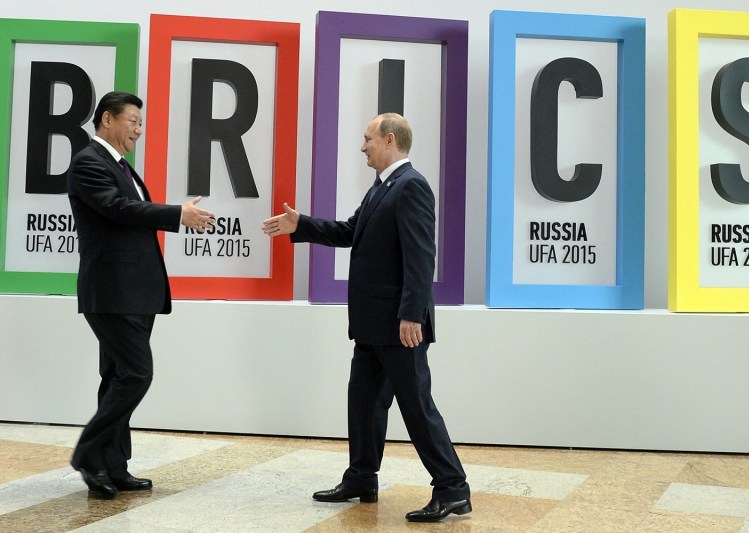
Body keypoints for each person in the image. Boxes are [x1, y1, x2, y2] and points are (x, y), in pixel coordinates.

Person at [262, 113, 471, 522]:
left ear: (389, 140)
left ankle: (452, 489)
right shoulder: (383, 188)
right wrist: (300, 224)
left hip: (399, 326)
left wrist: (412, 314)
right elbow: (350, 231)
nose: (362, 147)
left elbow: (420, 255)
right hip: (373, 325)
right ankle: (361, 477)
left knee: (417, 407)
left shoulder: (411, 186)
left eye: (367, 139)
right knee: (362, 403)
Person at [67, 91, 215, 499]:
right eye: (133, 121)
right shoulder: (88, 163)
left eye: (140, 122)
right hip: (111, 291)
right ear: (107, 119)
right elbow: (119, 210)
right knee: (136, 374)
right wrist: (176, 215)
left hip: (133, 292)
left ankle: (113, 466)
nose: (139, 129)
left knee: (116, 376)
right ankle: (88, 454)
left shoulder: (119, 165)